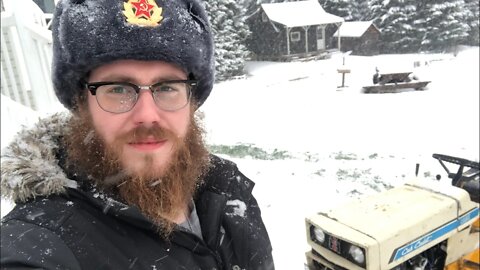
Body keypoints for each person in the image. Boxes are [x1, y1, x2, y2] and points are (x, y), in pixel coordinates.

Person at [0, 0, 275, 269]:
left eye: (167, 87)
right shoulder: (41, 242)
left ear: (192, 100)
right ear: (81, 104)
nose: (147, 115)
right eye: (118, 89)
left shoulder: (228, 188)